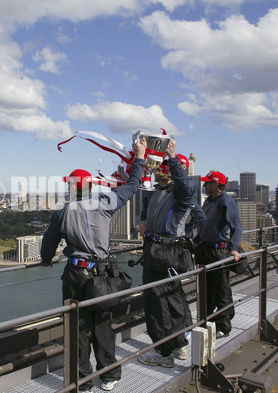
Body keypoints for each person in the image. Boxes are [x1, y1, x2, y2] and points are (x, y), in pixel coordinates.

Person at [40, 139, 146, 392]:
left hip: (76, 274)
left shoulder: (62, 212)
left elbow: (47, 247)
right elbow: (133, 185)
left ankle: (82, 379)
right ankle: (109, 375)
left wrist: (46, 260)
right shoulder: (105, 202)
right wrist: (140, 158)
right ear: (90, 186)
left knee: (77, 326)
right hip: (102, 274)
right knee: (102, 325)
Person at [137, 139, 202, 368]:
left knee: (158, 302)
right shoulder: (160, 192)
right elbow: (147, 203)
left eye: (161, 168)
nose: (157, 172)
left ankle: (164, 353)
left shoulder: (182, 195)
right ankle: (179, 345)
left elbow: (186, 186)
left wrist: (173, 159)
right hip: (158, 250)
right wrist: (144, 221)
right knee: (173, 298)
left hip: (166, 251)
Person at [193, 170, 243, 338]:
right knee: (205, 289)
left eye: (207, 183)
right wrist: (197, 239)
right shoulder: (209, 201)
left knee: (221, 290)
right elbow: (205, 224)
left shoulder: (227, 201)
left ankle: (223, 326)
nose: (204, 185)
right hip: (204, 249)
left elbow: (237, 227)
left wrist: (234, 248)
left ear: (216, 185)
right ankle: (204, 322)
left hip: (218, 251)